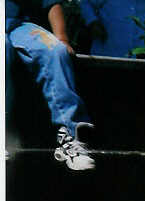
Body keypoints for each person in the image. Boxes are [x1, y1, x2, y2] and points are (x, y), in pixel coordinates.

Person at [6, 0, 95, 170]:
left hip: (16, 24)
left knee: (56, 50)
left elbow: (51, 2)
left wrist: (62, 38)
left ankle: (71, 136)